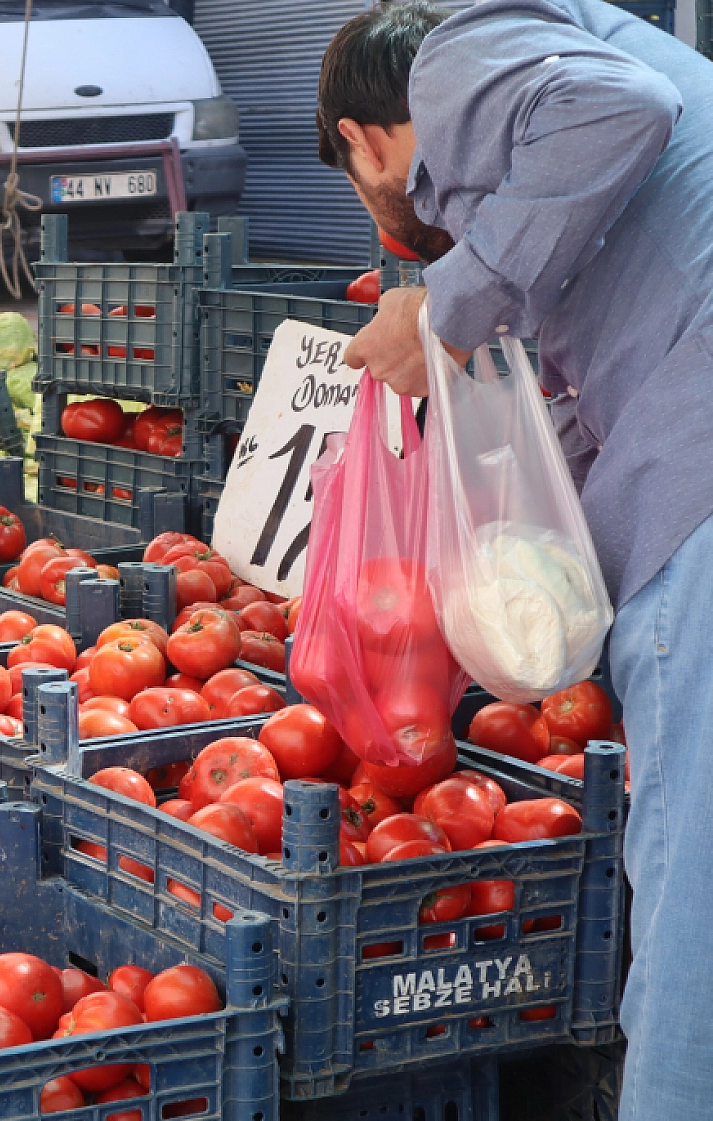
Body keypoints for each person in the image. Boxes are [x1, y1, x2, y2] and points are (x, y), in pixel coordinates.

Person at [317, 2, 713, 1116]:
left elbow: (619, 108)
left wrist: (439, 308)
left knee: (692, 904)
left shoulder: (461, 54)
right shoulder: (556, 123)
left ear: (362, 141)